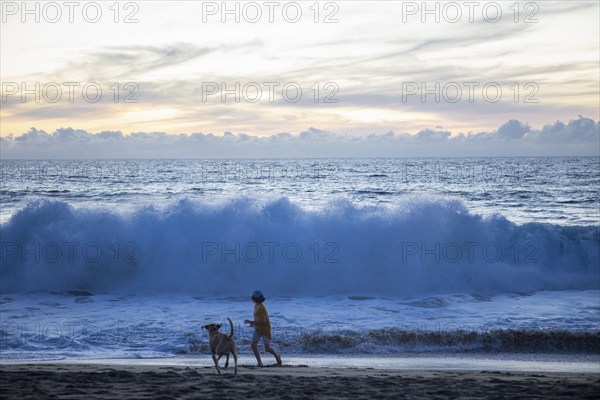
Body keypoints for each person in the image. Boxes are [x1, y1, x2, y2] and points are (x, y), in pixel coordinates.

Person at [244, 290, 282, 367]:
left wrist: (251, 322)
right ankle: (259, 362)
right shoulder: (256, 306)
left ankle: (277, 356)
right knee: (253, 345)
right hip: (258, 328)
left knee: (267, 348)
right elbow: (258, 319)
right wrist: (253, 323)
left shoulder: (262, 308)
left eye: (252, 297)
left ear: (255, 298)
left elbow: (263, 321)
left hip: (265, 329)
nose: (251, 299)